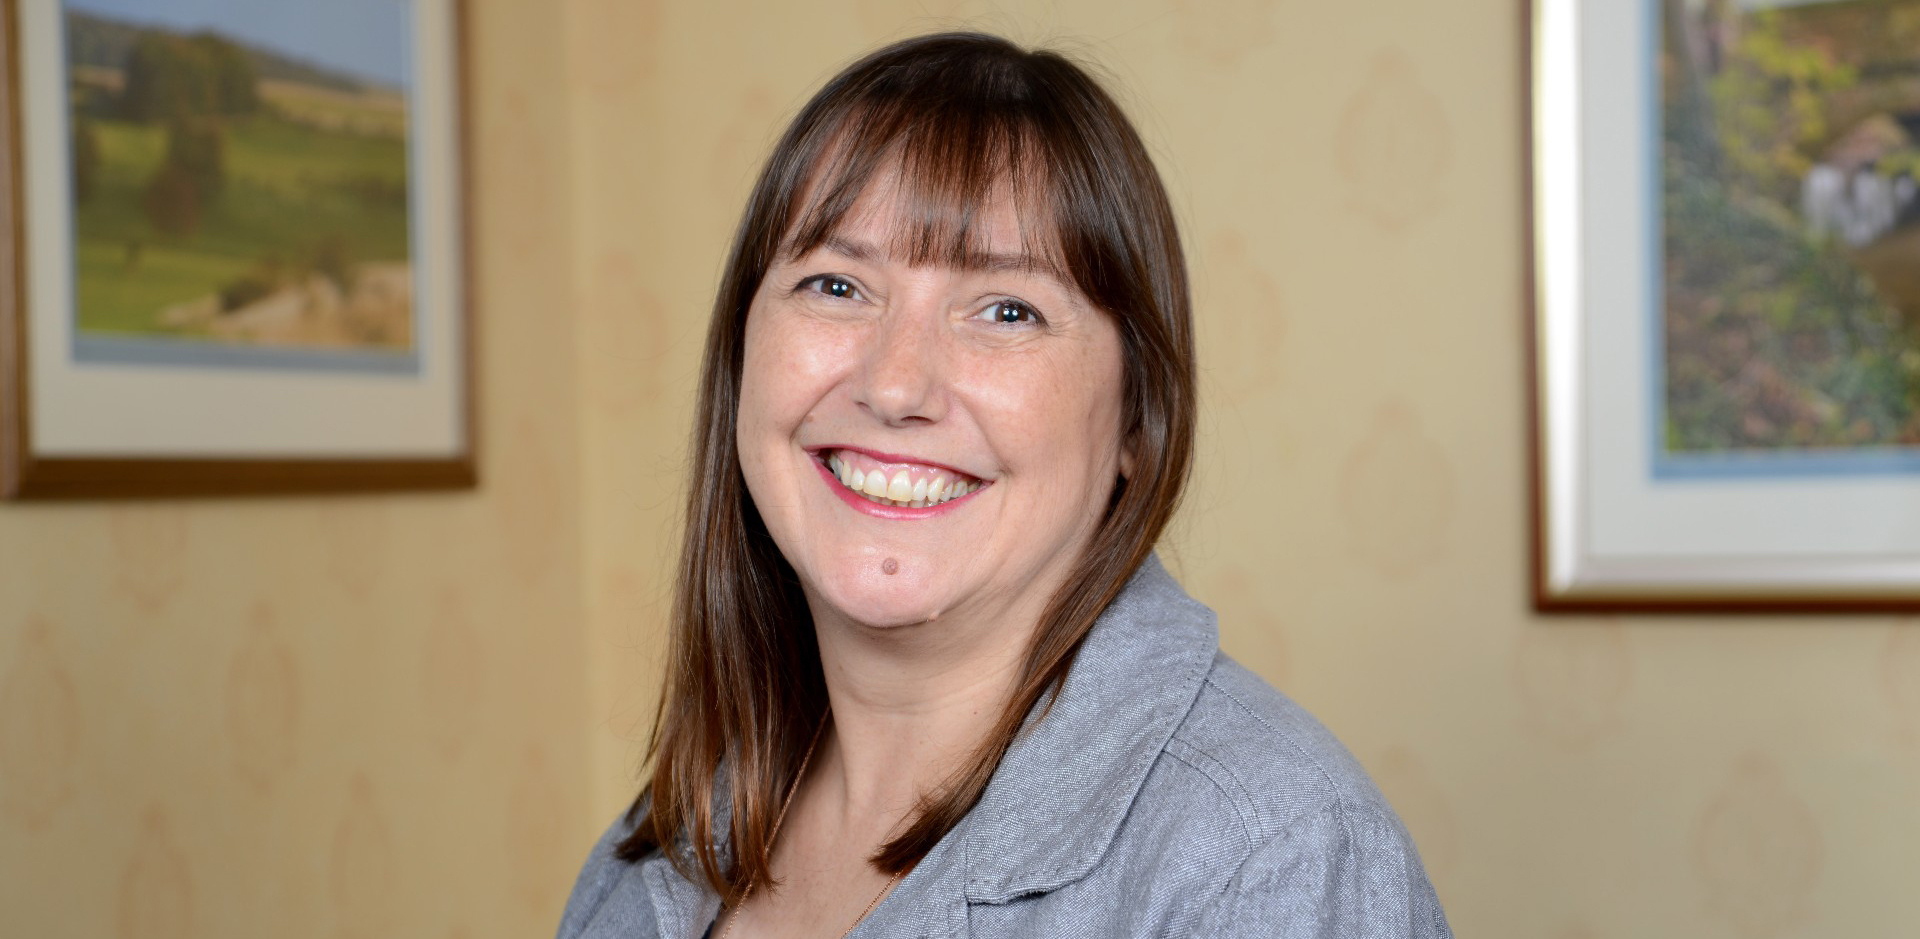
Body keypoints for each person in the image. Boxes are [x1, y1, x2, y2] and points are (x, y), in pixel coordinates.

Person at [556, 31, 1450, 939]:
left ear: (1137, 421)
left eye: (1007, 310)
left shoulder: (1268, 861)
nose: (894, 385)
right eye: (835, 285)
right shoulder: (656, 853)